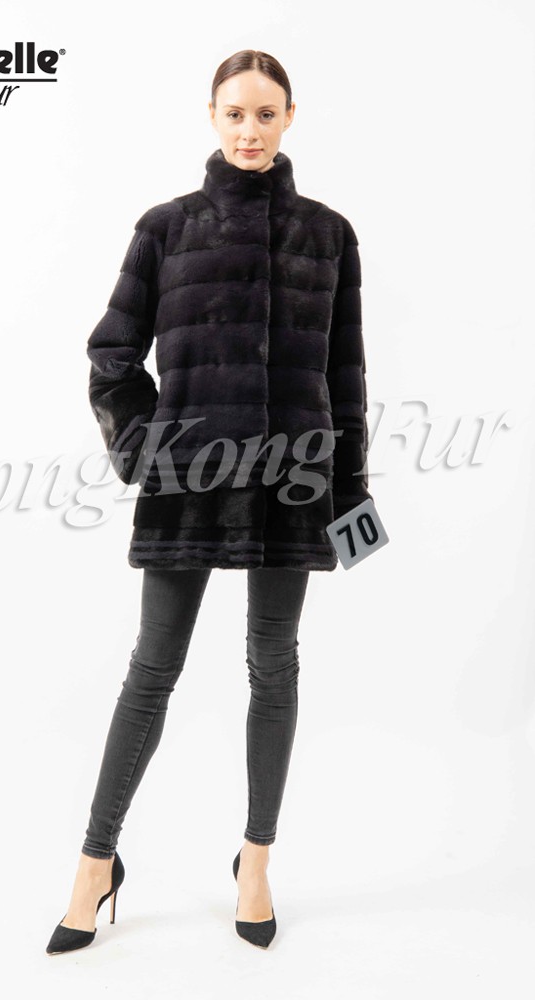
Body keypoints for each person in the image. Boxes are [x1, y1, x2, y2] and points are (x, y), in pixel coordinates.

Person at [46, 49, 372, 955]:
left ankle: (255, 861)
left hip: (294, 479)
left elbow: (345, 375)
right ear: (211, 115)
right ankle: (94, 864)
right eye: (235, 113)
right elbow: (111, 357)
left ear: (290, 117)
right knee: (152, 669)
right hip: (186, 481)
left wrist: (348, 496)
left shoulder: (328, 235)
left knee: (275, 664)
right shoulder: (166, 228)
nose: (249, 130)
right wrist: (152, 448)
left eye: (266, 113)